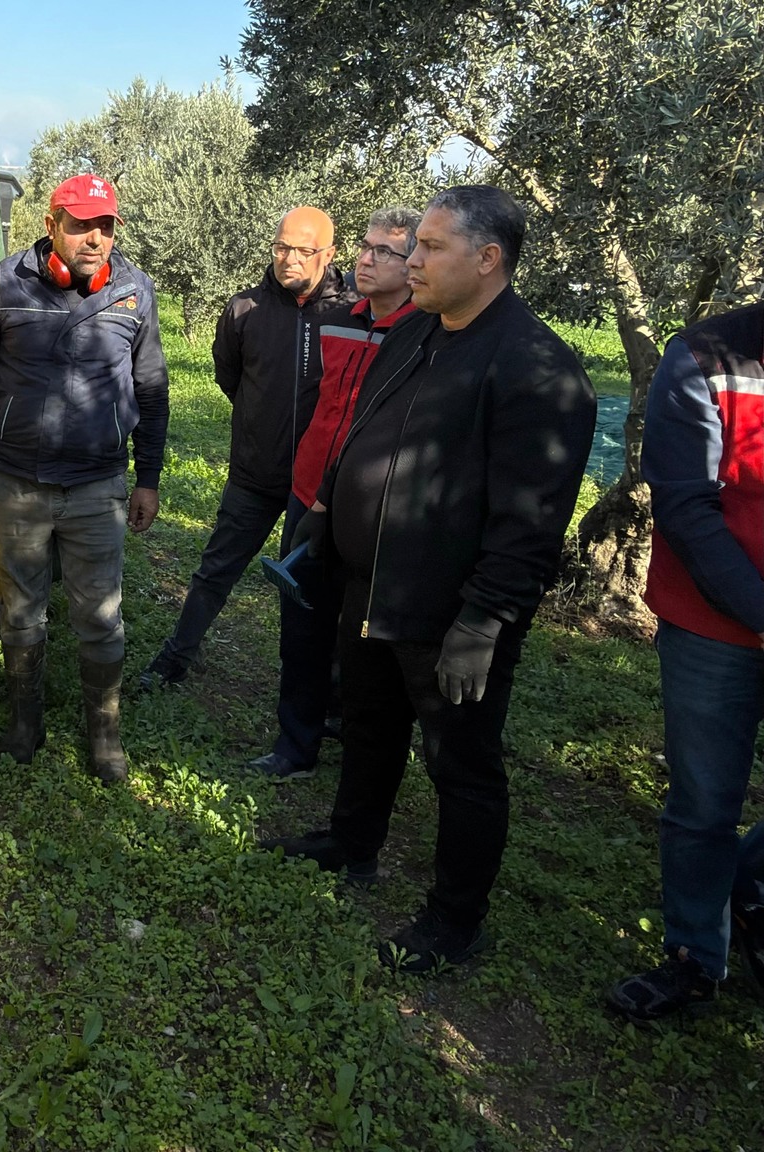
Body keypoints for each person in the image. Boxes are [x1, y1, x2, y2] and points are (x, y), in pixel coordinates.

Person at [266, 186, 595, 973]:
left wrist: (483, 624)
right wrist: (324, 513)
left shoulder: (537, 370)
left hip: (449, 615)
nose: (410, 260)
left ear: (488, 260)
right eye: (413, 246)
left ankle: (455, 925)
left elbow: (531, 524)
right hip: (369, 585)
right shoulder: (419, 334)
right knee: (370, 727)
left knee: (462, 767)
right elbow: (364, 428)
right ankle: (352, 843)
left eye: (430, 248)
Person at [0, 173, 169, 783]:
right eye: (80, 224)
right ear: (51, 225)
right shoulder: (7, 283)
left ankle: (105, 735)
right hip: (16, 481)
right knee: (21, 611)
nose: (93, 238)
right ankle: (25, 723)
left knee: (101, 617)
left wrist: (146, 477)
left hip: (98, 486)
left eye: (104, 226)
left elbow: (151, 390)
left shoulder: (133, 292)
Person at [607, 300, 764, 1020]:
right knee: (704, 802)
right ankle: (694, 957)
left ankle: (745, 884)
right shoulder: (705, 356)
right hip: (713, 631)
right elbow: (686, 508)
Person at [137, 207, 356, 691]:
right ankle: (175, 658)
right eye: (281, 248)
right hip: (255, 472)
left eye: (304, 250)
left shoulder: (352, 314)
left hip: (319, 488)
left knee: (309, 589)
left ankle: (326, 694)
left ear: (330, 253)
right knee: (215, 570)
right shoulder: (244, 310)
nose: (289, 259)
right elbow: (229, 376)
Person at [248, 208, 422, 780]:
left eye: (386, 253)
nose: (367, 260)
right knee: (301, 623)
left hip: (371, 512)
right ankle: (294, 744)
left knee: (361, 634)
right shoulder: (337, 319)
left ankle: (351, 731)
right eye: (366, 248)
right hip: (307, 493)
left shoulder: (424, 338)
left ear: (415, 264)